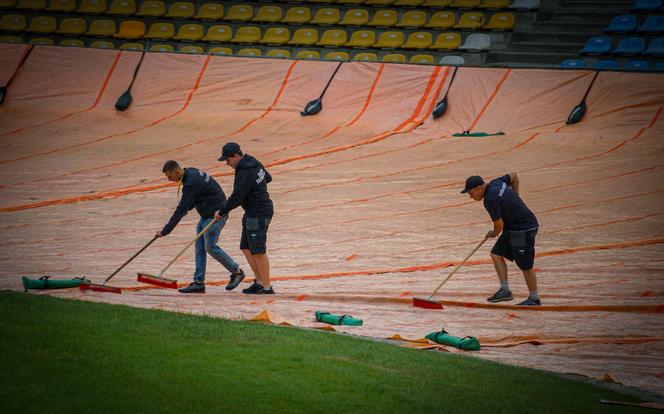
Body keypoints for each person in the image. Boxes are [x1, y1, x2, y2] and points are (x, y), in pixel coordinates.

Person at [157, 160, 245, 294]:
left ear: (177, 172)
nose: (170, 180)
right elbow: (195, 198)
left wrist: (165, 231)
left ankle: (237, 272)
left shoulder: (191, 182)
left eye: (170, 177)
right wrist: (187, 207)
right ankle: (199, 283)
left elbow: (182, 208)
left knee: (210, 247)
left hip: (216, 215)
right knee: (200, 249)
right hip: (206, 214)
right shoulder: (190, 172)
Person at [461, 173, 541, 306]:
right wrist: (516, 196)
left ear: (479, 188)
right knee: (496, 254)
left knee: (525, 266)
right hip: (513, 228)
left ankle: (534, 299)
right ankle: (505, 291)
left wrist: (493, 233)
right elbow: (514, 176)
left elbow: (499, 225)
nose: (470, 196)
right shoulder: (496, 182)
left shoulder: (490, 199)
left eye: (470, 192)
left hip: (521, 230)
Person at [214, 142, 275, 295]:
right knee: (246, 247)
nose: (228, 164)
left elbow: (237, 197)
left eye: (228, 161)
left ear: (236, 156)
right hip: (252, 212)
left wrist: (222, 211)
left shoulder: (243, 172)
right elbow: (268, 177)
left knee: (258, 250)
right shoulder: (253, 161)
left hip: (259, 212)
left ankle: (267, 287)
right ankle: (259, 282)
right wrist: (255, 188)